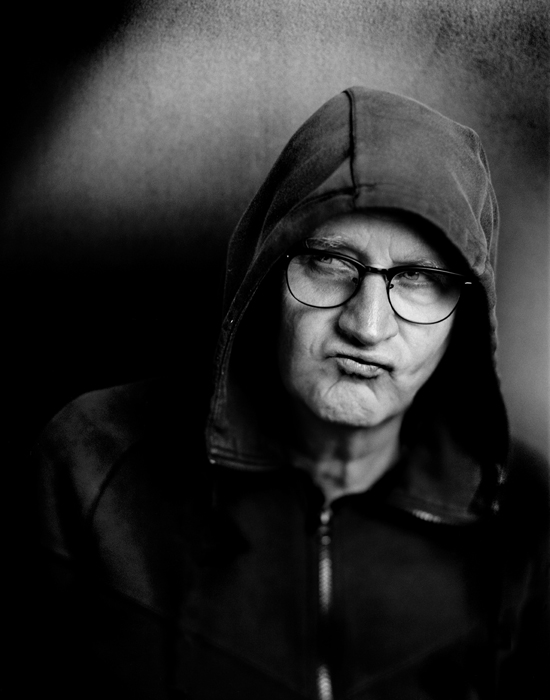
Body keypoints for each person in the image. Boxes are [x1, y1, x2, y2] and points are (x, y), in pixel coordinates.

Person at [32, 86, 548, 699]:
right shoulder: (92, 463)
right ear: (267, 271)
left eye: (418, 277)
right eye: (330, 262)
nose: (367, 326)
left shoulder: (524, 515)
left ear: (466, 307)